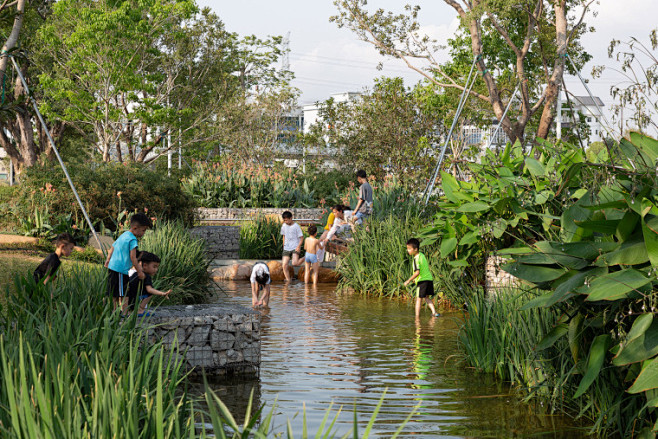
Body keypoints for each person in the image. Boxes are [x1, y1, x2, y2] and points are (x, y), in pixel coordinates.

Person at [104, 213, 152, 311]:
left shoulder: (124, 235)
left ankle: (113, 311)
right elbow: (133, 258)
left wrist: (108, 260)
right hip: (121, 270)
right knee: (124, 293)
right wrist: (139, 271)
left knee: (113, 291)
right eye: (143, 230)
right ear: (135, 228)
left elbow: (112, 247)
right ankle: (124, 312)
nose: (144, 233)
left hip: (112, 267)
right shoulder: (132, 239)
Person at [403, 238, 440, 318]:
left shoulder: (416, 259)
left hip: (422, 281)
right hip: (429, 280)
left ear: (415, 249)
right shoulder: (422, 255)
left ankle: (417, 318)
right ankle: (434, 312)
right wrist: (415, 280)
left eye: (409, 249)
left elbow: (417, 272)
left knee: (418, 299)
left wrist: (408, 280)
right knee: (426, 297)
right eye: (407, 249)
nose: (408, 251)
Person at [127, 251, 171, 316]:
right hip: (134, 300)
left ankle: (131, 310)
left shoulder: (134, 274)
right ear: (144, 265)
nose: (156, 270)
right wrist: (162, 293)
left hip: (127, 301)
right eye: (154, 267)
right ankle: (140, 309)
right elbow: (149, 290)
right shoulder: (146, 276)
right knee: (150, 293)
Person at [280, 211, 305, 282]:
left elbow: (301, 237)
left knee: (295, 263)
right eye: (284, 220)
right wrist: (284, 245)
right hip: (286, 247)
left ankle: (306, 257)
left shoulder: (296, 226)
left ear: (291, 218)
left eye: (286, 220)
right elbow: (284, 236)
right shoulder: (284, 226)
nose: (285, 221)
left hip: (295, 246)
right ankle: (288, 281)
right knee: (284, 265)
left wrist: (298, 246)